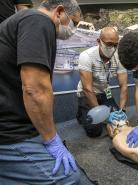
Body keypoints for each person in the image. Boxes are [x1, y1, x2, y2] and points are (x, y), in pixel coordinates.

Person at [0, 0, 81, 184]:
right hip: (8, 130)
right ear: (59, 11)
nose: (74, 29)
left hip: (13, 118)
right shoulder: (38, 20)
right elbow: (34, 89)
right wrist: (51, 139)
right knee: (68, 178)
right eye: (74, 23)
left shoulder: (21, 21)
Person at [76, 27, 128, 137]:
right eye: (109, 44)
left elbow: (123, 85)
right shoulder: (86, 56)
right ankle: (81, 112)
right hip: (87, 93)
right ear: (99, 41)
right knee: (95, 131)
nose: (112, 48)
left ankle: (101, 108)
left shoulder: (119, 57)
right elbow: (87, 89)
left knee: (119, 119)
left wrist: (122, 110)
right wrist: (102, 114)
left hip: (105, 91)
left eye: (115, 45)